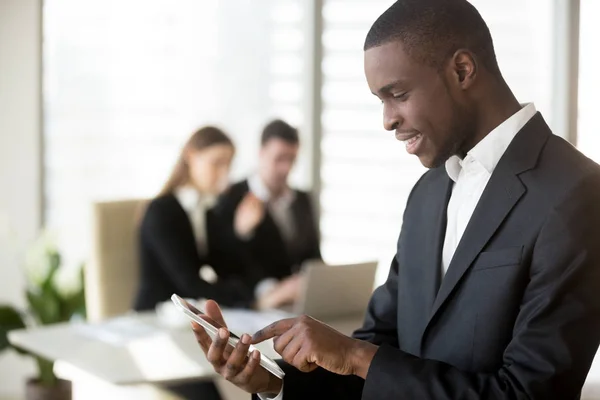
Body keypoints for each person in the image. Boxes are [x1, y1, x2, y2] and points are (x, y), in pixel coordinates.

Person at [190, 0, 600, 399]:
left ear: (462, 69)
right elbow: (379, 356)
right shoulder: (428, 193)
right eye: (380, 101)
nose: (388, 120)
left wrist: (354, 353)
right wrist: (274, 382)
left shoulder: (578, 192)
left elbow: (531, 392)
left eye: (398, 94)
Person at [134, 126, 255, 312]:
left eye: (228, 165)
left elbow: (227, 269)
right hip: (155, 317)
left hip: (189, 316)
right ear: (191, 156)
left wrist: (241, 232)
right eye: (217, 163)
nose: (225, 174)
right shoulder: (161, 211)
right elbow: (188, 283)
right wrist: (250, 300)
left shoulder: (209, 209)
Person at [214, 119, 321, 310]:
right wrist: (242, 234)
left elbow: (313, 257)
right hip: (255, 305)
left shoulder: (302, 199)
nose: (286, 168)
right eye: (279, 158)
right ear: (261, 153)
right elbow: (223, 267)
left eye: (292, 159)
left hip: (297, 303)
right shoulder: (230, 197)